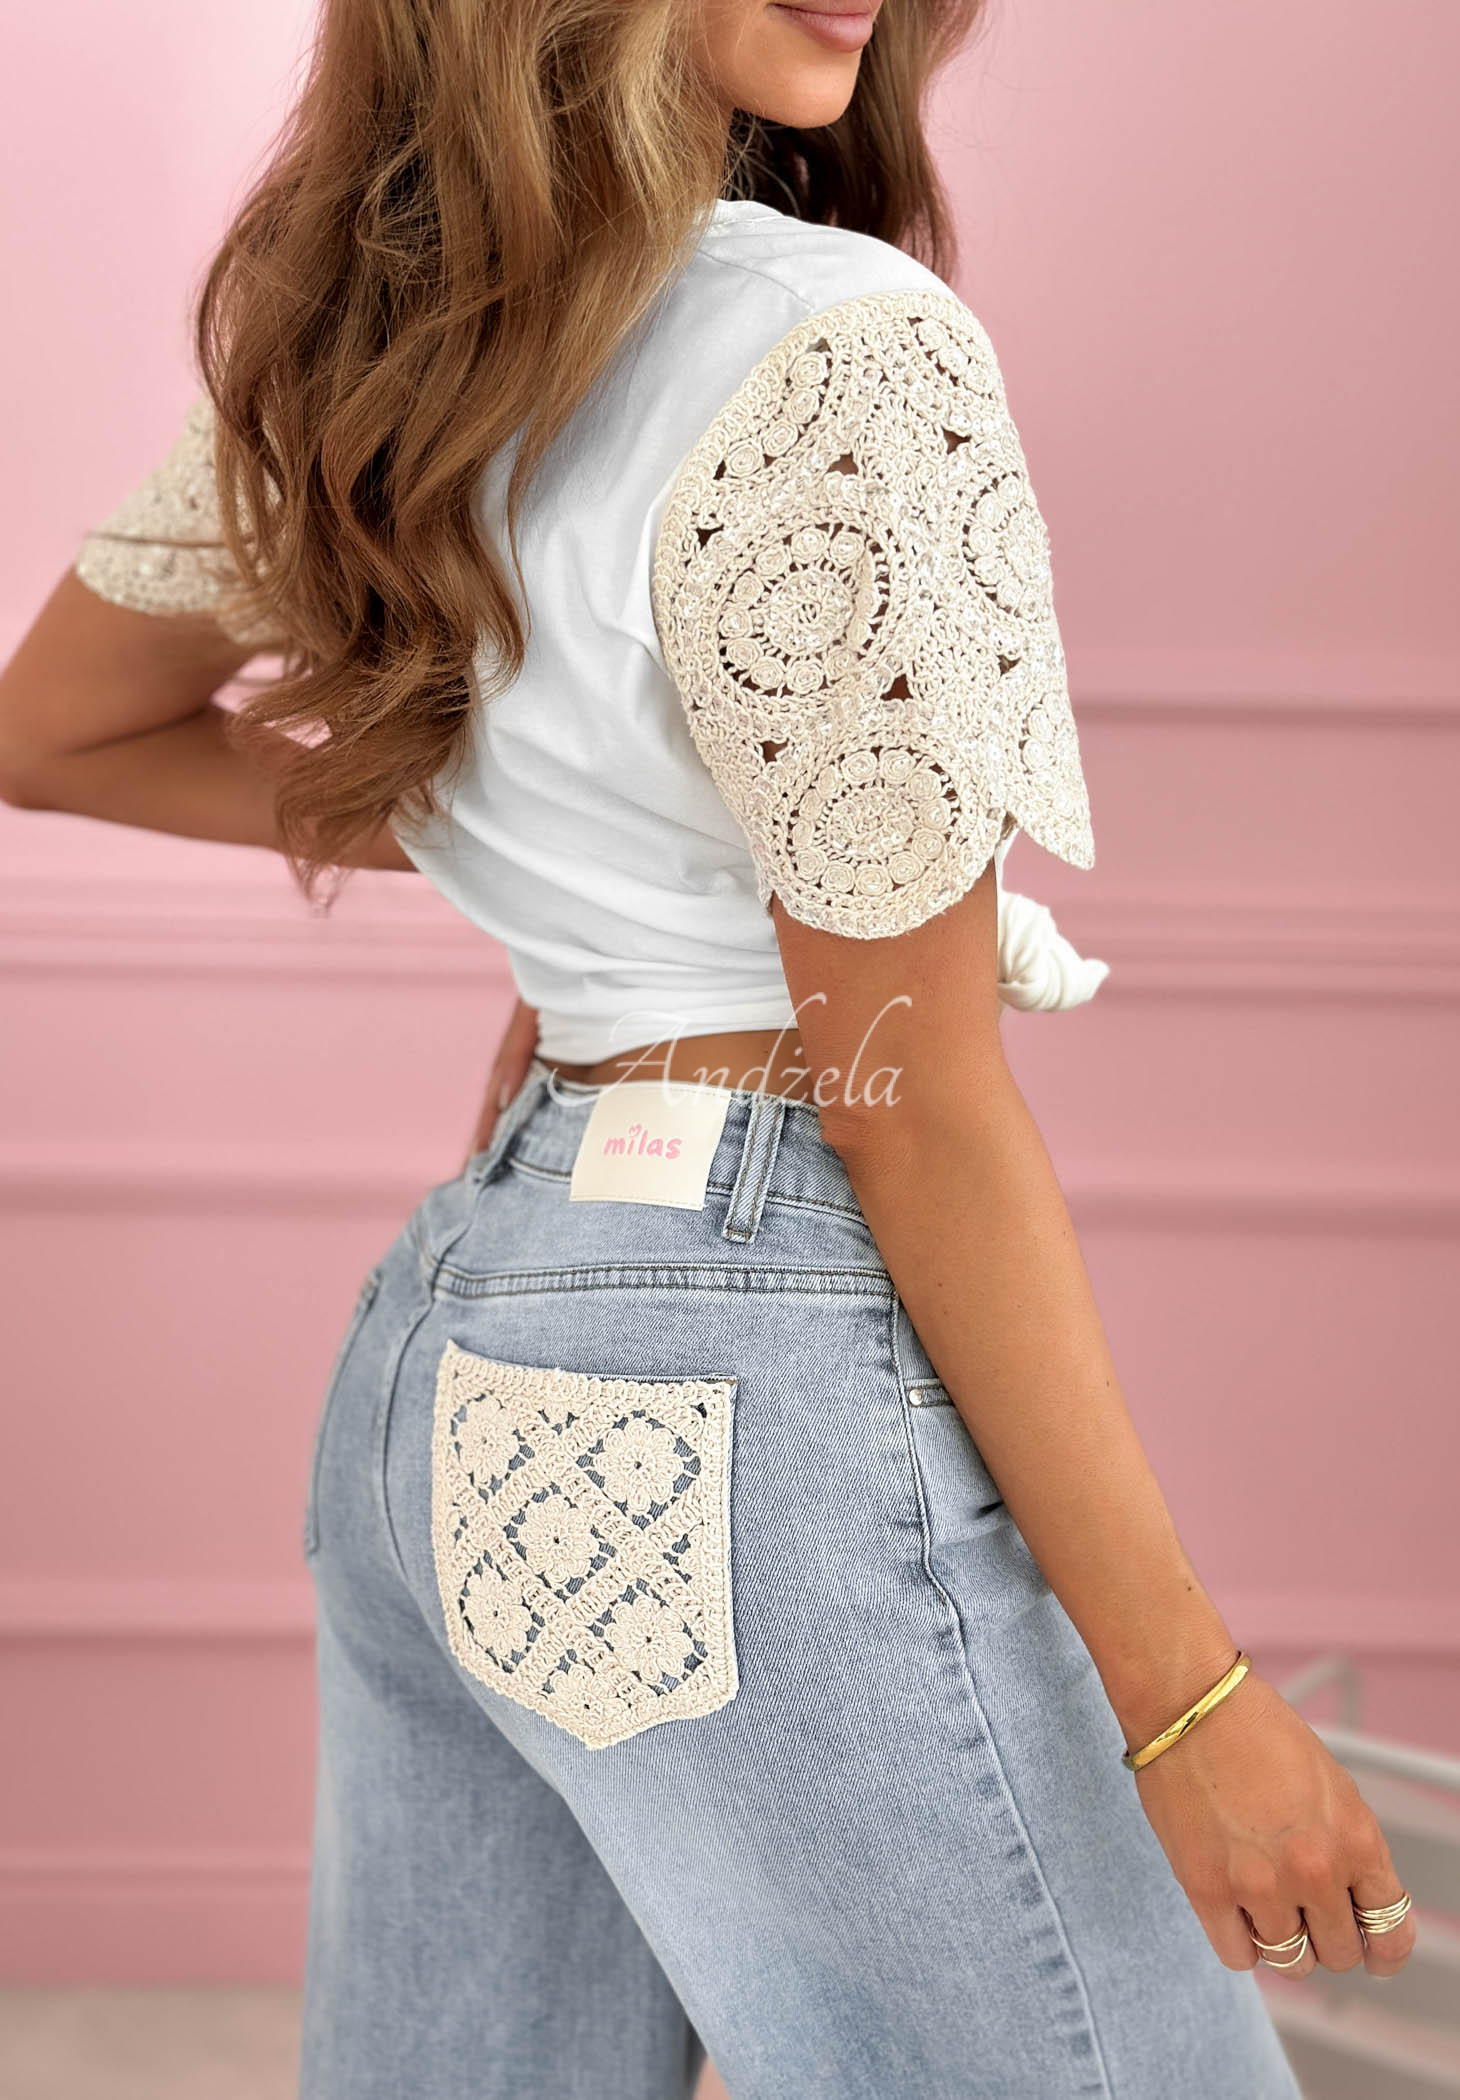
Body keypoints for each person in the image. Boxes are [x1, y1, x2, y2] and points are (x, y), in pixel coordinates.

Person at [0, 2, 1416, 2094]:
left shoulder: (372, 352)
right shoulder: (837, 347)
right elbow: (918, 1108)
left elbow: (49, 728)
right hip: (744, 1360)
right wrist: (1190, 1707)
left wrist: (512, 815)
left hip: (453, 1345)